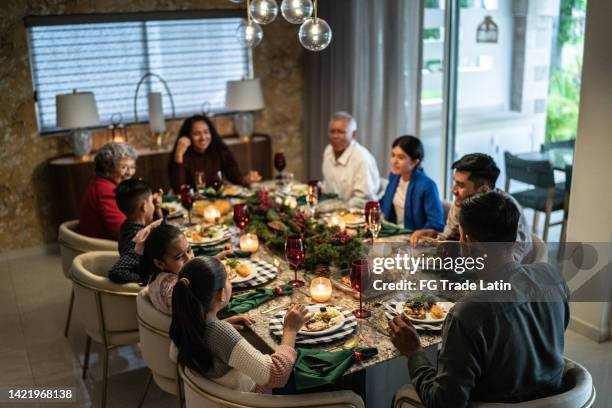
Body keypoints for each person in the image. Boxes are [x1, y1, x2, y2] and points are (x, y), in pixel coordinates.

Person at [390, 191, 569, 407]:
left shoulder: (467, 313)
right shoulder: (553, 277)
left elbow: (444, 403)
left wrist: (414, 352)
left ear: (469, 243)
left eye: (461, 237)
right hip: (556, 397)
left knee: (398, 394)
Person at [169, 256, 309, 392]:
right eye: (228, 280)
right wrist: (290, 329)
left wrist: (222, 324)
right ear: (221, 294)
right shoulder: (219, 333)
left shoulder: (184, 323)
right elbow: (277, 375)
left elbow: (173, 353)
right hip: (256, 399)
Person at [409, 153, 531, 261]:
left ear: (484, 190)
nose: (453, 190)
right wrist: (435, 236)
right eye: (454, 182)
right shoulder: (464, 202)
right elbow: (450, 237)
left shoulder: (507, 213)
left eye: (461, 185)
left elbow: (508, 263)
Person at [169, 114, 261, 193]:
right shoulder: (182, 153)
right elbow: (178, 190)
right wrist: (179, 155)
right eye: (197, 134)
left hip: (216, 201)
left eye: (206, 132)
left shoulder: (218, 149)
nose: (203, 137)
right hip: (192, 203)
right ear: (188, 136)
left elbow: (236, 177)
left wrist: (246, 179)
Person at [379, 136, 444, 231]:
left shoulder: (427, 185)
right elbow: (384, 202)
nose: (394, 161)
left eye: (400, 157)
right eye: (393, 155)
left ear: (415, 162)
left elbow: (436, 223)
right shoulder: (395, 176)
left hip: (414, 239)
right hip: (394, 231)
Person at [78, 142, 137, 240]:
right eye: (124, 167)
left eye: (132, 167)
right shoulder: (105, 190)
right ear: (108, 169)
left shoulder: (101, 183)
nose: (129, 173)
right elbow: (125, 234)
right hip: (104, 250)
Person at [321, 112, 380, 208]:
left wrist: (336, 208)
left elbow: (363, 200)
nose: (335, 136)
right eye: (332, 131)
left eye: (340, 132)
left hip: (356, 214)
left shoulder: (362, 158)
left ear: (353, 135)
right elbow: (328, 188)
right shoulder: (328, 150)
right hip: (333, 211)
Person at [108, 179, 162, 284]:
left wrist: (158, 209)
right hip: (145, 293)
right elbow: (118, 271)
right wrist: (150, 279)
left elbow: (163, 233)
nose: (153, 205)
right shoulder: (140, 238)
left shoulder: (127, 226)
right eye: (151, 201)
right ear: (144, 206)